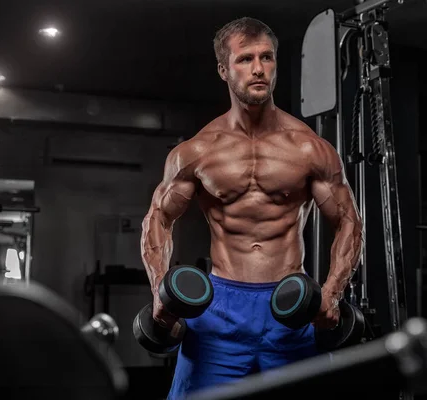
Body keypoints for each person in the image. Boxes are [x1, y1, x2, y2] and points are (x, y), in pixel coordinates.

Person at [140, 16, 364, 400]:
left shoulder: (309, 149)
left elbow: (348, 221)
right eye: (245, 59)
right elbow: (158, 219)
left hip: (289, 307)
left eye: (267, 57)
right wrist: (160, 288)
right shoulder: (196, 152)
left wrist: (332, 292)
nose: (258, 69)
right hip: (218, 310)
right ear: (224, 70)